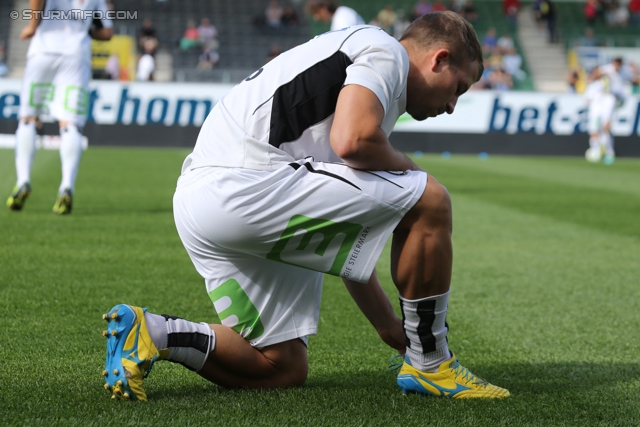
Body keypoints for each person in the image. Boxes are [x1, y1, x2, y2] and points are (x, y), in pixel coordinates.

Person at [101, 11, 510, 401]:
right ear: (439, 59)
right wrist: (418, 179)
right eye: (458, 86)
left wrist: (387, 324)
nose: (453, 104)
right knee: (432, 200)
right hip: (251, 183)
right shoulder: (386, 51)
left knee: (281, 367)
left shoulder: (360, 74)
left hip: (203, 202)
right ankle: (432, 361)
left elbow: (348, 226)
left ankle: (153, 333)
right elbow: (352, 141)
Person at [6, 0, 113, 214]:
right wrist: (85, 28)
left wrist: (33, 25)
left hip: (44, 51)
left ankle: (24, 180)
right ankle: (66, 186)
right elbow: (107, 33)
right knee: (70, 124)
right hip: (77, 57)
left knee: (28, 118)